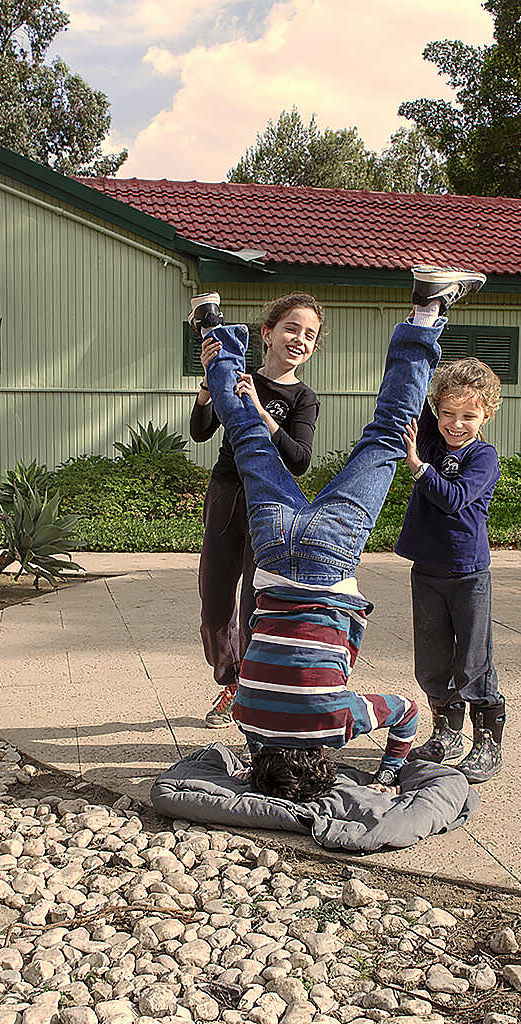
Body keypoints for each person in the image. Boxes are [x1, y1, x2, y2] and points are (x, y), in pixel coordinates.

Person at [190, 265, 486, 800]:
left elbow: (405, 714)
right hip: (275, 547)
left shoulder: (337, 722)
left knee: (389, 431)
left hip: (331, 555)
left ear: (323, 764)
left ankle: (427, 310)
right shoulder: (249, 718)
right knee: (247, 429)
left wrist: (389, 772)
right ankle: (212, 328)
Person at [189, 294, 322, 728]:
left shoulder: (303, 398)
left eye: (309, 334)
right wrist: (211, 384)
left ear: (313, 347)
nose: (298, 339)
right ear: (267, 333)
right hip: (228, 494)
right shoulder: (238, 375)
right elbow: (201, 430)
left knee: (254, 603)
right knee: (214, 601)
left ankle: (247, 687)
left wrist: (263, 414)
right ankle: (228, 677)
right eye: (291, 328)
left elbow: (300, 459)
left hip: (271, 504)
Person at [398, 359, 507, 782]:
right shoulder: (431, 440)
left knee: (473, 661)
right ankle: (447, 732)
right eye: (446, 413)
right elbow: (415, 382)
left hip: (468, 575)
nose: (455, 424)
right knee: (432, 658)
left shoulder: (483, 458)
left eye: (468, 416)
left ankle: (487, 744)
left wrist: (418, 467)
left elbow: (453, 498)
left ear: (486, 416)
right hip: (427, 571)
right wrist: (424, 327)